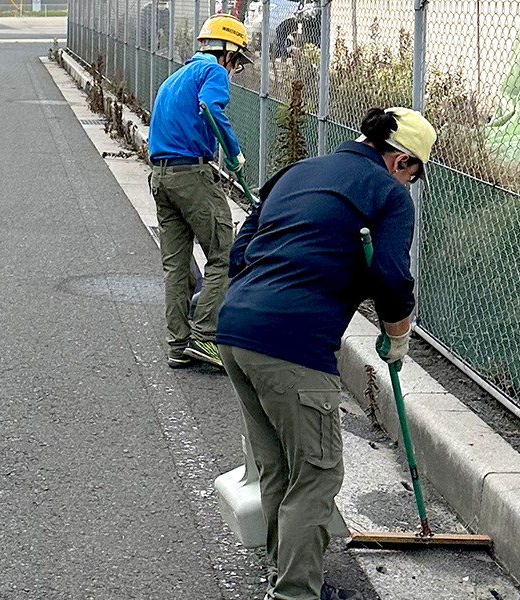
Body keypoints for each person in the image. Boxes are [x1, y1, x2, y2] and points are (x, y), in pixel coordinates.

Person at [216, 108, 437, 600]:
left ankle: (285, 574)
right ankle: (297, 593)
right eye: (414, 174)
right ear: (401, 161)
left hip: (235, 327)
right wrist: (397, 336)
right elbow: (392, 277)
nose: (410, 184)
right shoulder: (388, 195)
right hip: (294, 344)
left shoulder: (298, 172)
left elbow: (240, 249)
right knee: (316, 475)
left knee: (279, 468)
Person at [148, 14, 251, 369]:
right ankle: (205, 337)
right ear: (228, 52)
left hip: (160, 177)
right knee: (225, 254)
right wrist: (234, 153)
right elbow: (211, 107)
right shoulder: (213, 72)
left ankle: (178, 343)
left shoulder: (174, 78)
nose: (235, 69)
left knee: (176, 266)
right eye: (237, 60)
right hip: (192, 174)